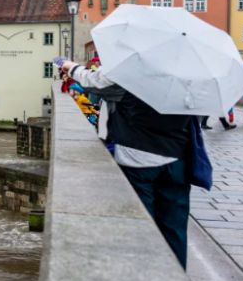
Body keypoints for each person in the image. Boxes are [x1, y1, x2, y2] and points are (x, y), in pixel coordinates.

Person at [62, 60, 193, 269]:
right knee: (175, 228)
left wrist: (72, 68)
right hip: (178, 159)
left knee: (142, 225)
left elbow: (97, 84)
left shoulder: (133, 69)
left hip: (138, 158)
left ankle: (145, 276)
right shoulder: (189, 73)